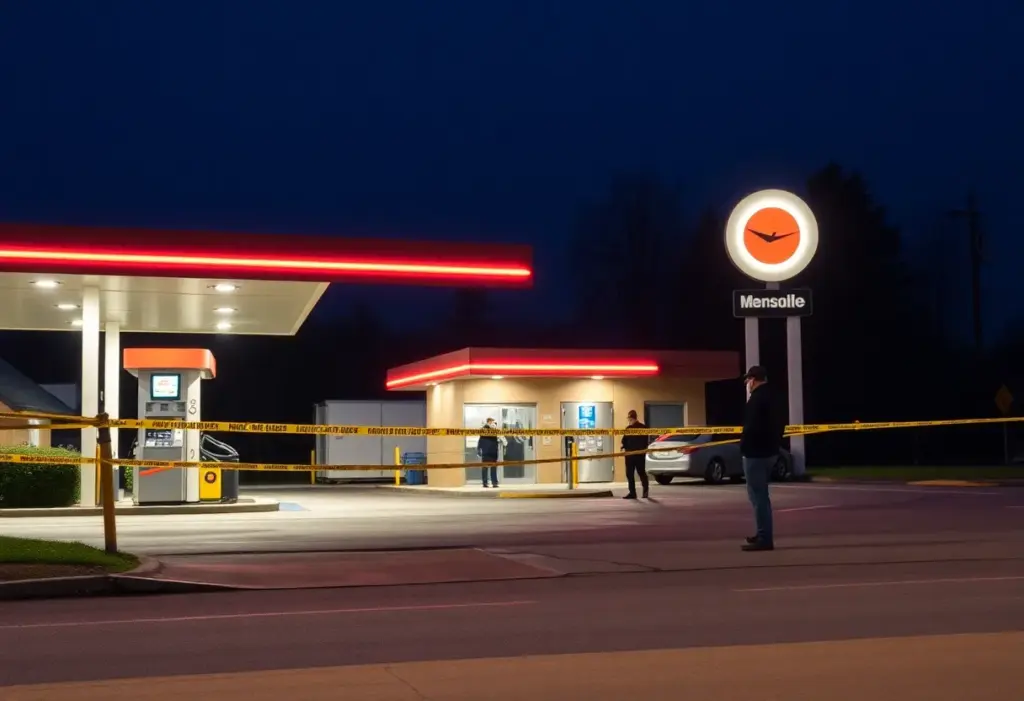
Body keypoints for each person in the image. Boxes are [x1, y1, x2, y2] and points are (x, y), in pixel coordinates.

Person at [740, 365, 784, 551]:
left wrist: (744, 446)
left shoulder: (756, 400)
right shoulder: (775, 398)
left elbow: (750, 427)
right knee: (760, 496)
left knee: (758, 497)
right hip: (770, 452)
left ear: (753, 379)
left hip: (755, 454)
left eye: (748, 380)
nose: (747, 384)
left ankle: (765, 538)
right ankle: (762, 533)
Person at [620, 409, 651, 499]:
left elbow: (624, 441)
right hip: (638, 455)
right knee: (639, 473)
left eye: (629, 419)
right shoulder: (644, 428)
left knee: (632, 473)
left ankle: (633, 492)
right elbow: (645, 441)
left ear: (631, 418)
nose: (629, 421)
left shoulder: (630, 429)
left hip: (632, 455)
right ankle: (643, 491)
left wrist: (624, 446)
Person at [476, 417, 506, 488]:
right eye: (492, 422)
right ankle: (487, 483)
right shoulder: (484, 429)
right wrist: (479, 449)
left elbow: (499, 438)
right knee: (486, 467)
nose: (493, 423)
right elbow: (481, 440)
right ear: (488, 422)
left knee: (492, 467)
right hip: (487, 451)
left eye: (493, 422)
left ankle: (492, 482)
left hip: (492, 451)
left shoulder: (494, 430)